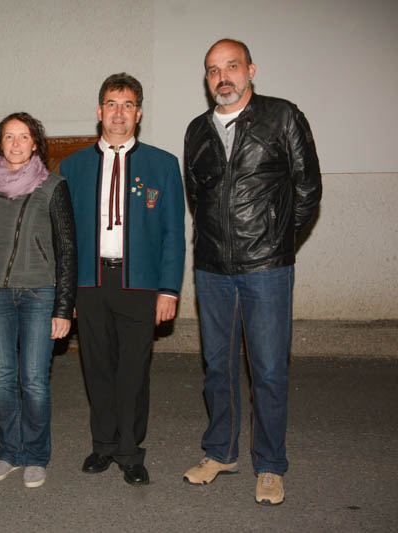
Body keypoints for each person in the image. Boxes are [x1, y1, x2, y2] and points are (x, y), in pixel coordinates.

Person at [182, 39, 322, 505]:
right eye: (213, 70)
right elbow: (197, 197)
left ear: (250, 70)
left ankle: (270, 464)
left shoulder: (283, 117)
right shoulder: (197, 130)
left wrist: (276, 241)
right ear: (207, 79)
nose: (222, 77)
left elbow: (308, 190)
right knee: (217, 367)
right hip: (212, 269)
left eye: (232, 67)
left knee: (268, 370)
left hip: (266, 268)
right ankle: (220, 452)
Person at [60, 73, 185, 486]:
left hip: (140, 284)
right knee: (96, 367)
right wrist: (66, 293)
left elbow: (173, 233)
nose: (119, 113)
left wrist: (168, 290)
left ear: (139, 113)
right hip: (90, 282)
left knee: (133, 370)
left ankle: (130, 450)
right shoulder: (73, 167)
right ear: (99, 111)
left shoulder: (162, 165)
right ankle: (103, 445)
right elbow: (63, 237)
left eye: (127, 105)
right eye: (112, 104)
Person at [0, 112, 76, 488]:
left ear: (35, 144)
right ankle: (9, 452)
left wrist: (63, 307)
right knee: (2, 379)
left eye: (23, 136)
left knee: (34, 380)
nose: (16, 143)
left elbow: (67, 249)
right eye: (9, 136)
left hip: (39, 293)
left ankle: (36, 455)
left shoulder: (53, 186)